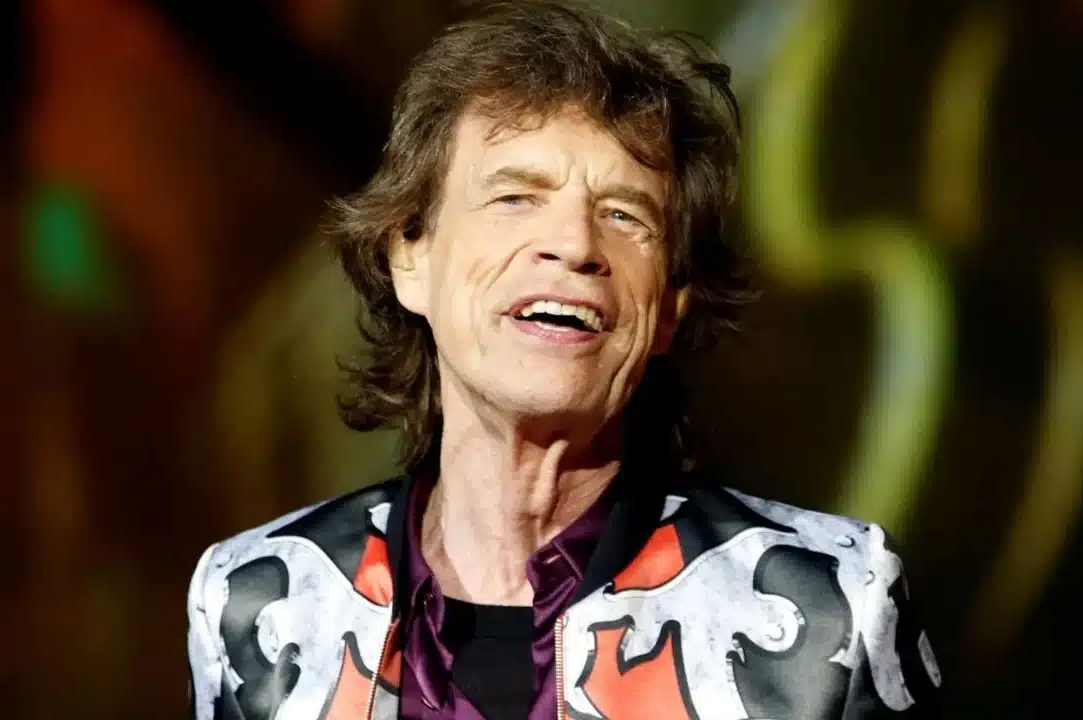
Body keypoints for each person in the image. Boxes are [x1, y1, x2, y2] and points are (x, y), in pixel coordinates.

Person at [186, 1, 942, 718]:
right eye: (516, 198)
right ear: (410, 257)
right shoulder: (250, 605)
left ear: (669, 307)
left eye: (624, 214)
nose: (576, 245)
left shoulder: (835, 605)